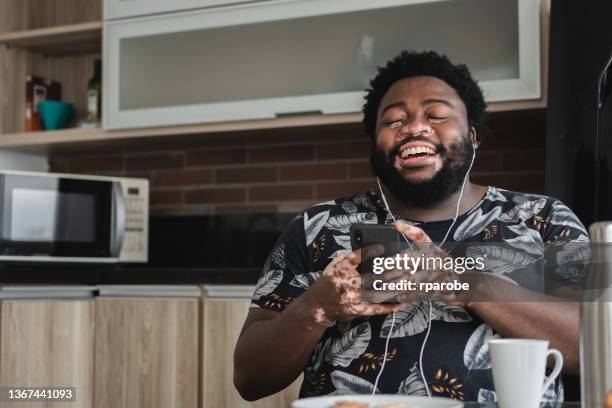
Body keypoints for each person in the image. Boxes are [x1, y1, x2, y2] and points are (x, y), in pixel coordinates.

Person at [233, 50, 587, 403]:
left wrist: (465, 282)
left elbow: (597, 346)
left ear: (474, 136)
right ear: (375, 143)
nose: (415, 127)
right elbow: (249, 379)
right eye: (393, 120)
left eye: (437, 114)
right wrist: (317, 306)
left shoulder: (543, 219)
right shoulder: (316, 227)